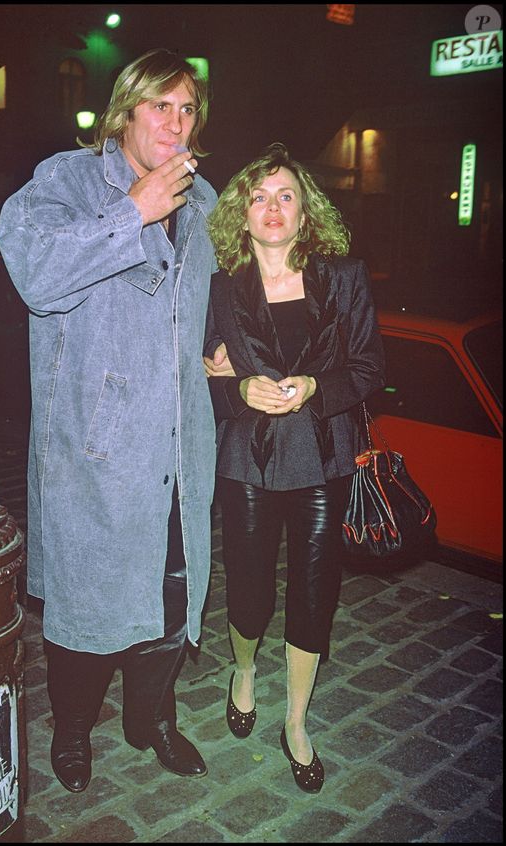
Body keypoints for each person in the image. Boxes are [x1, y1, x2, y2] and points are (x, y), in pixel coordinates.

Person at [0, 49, 218, 792]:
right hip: (96, 448)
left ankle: (151, 719)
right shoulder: (66, 179)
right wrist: (134, 211)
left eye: (187, 108)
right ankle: (71, 728)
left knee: (171, 586)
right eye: (161, 106)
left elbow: (236, 296)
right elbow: (36, 273)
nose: (175, 122)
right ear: (125, 112)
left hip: (181, 441)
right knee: (88, 601)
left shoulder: (207, 200)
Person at [203, 143, 385, 793]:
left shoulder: (344, 276)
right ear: (241, 212)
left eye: (286, 195)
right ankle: (245, 670)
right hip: (248, 456)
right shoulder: (220, 285)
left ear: (306, 211)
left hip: (321, 453)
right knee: (249, 588)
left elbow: (369, 368)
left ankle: (297, 721)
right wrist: (233, 390)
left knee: (313, 591)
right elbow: (200, 372)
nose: (273, 208)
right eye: (259, 196)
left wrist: (313, 386)